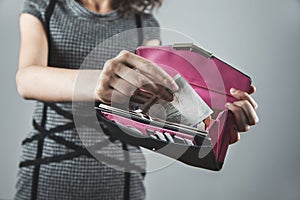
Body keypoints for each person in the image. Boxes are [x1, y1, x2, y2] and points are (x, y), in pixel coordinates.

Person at [15, 0, 259, 199]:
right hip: (47, 172)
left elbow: (156, 109)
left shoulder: (144, 24)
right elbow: (26, 79)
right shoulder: (44, 8)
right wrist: (101, 82)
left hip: (122, 182)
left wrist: (212, 129)